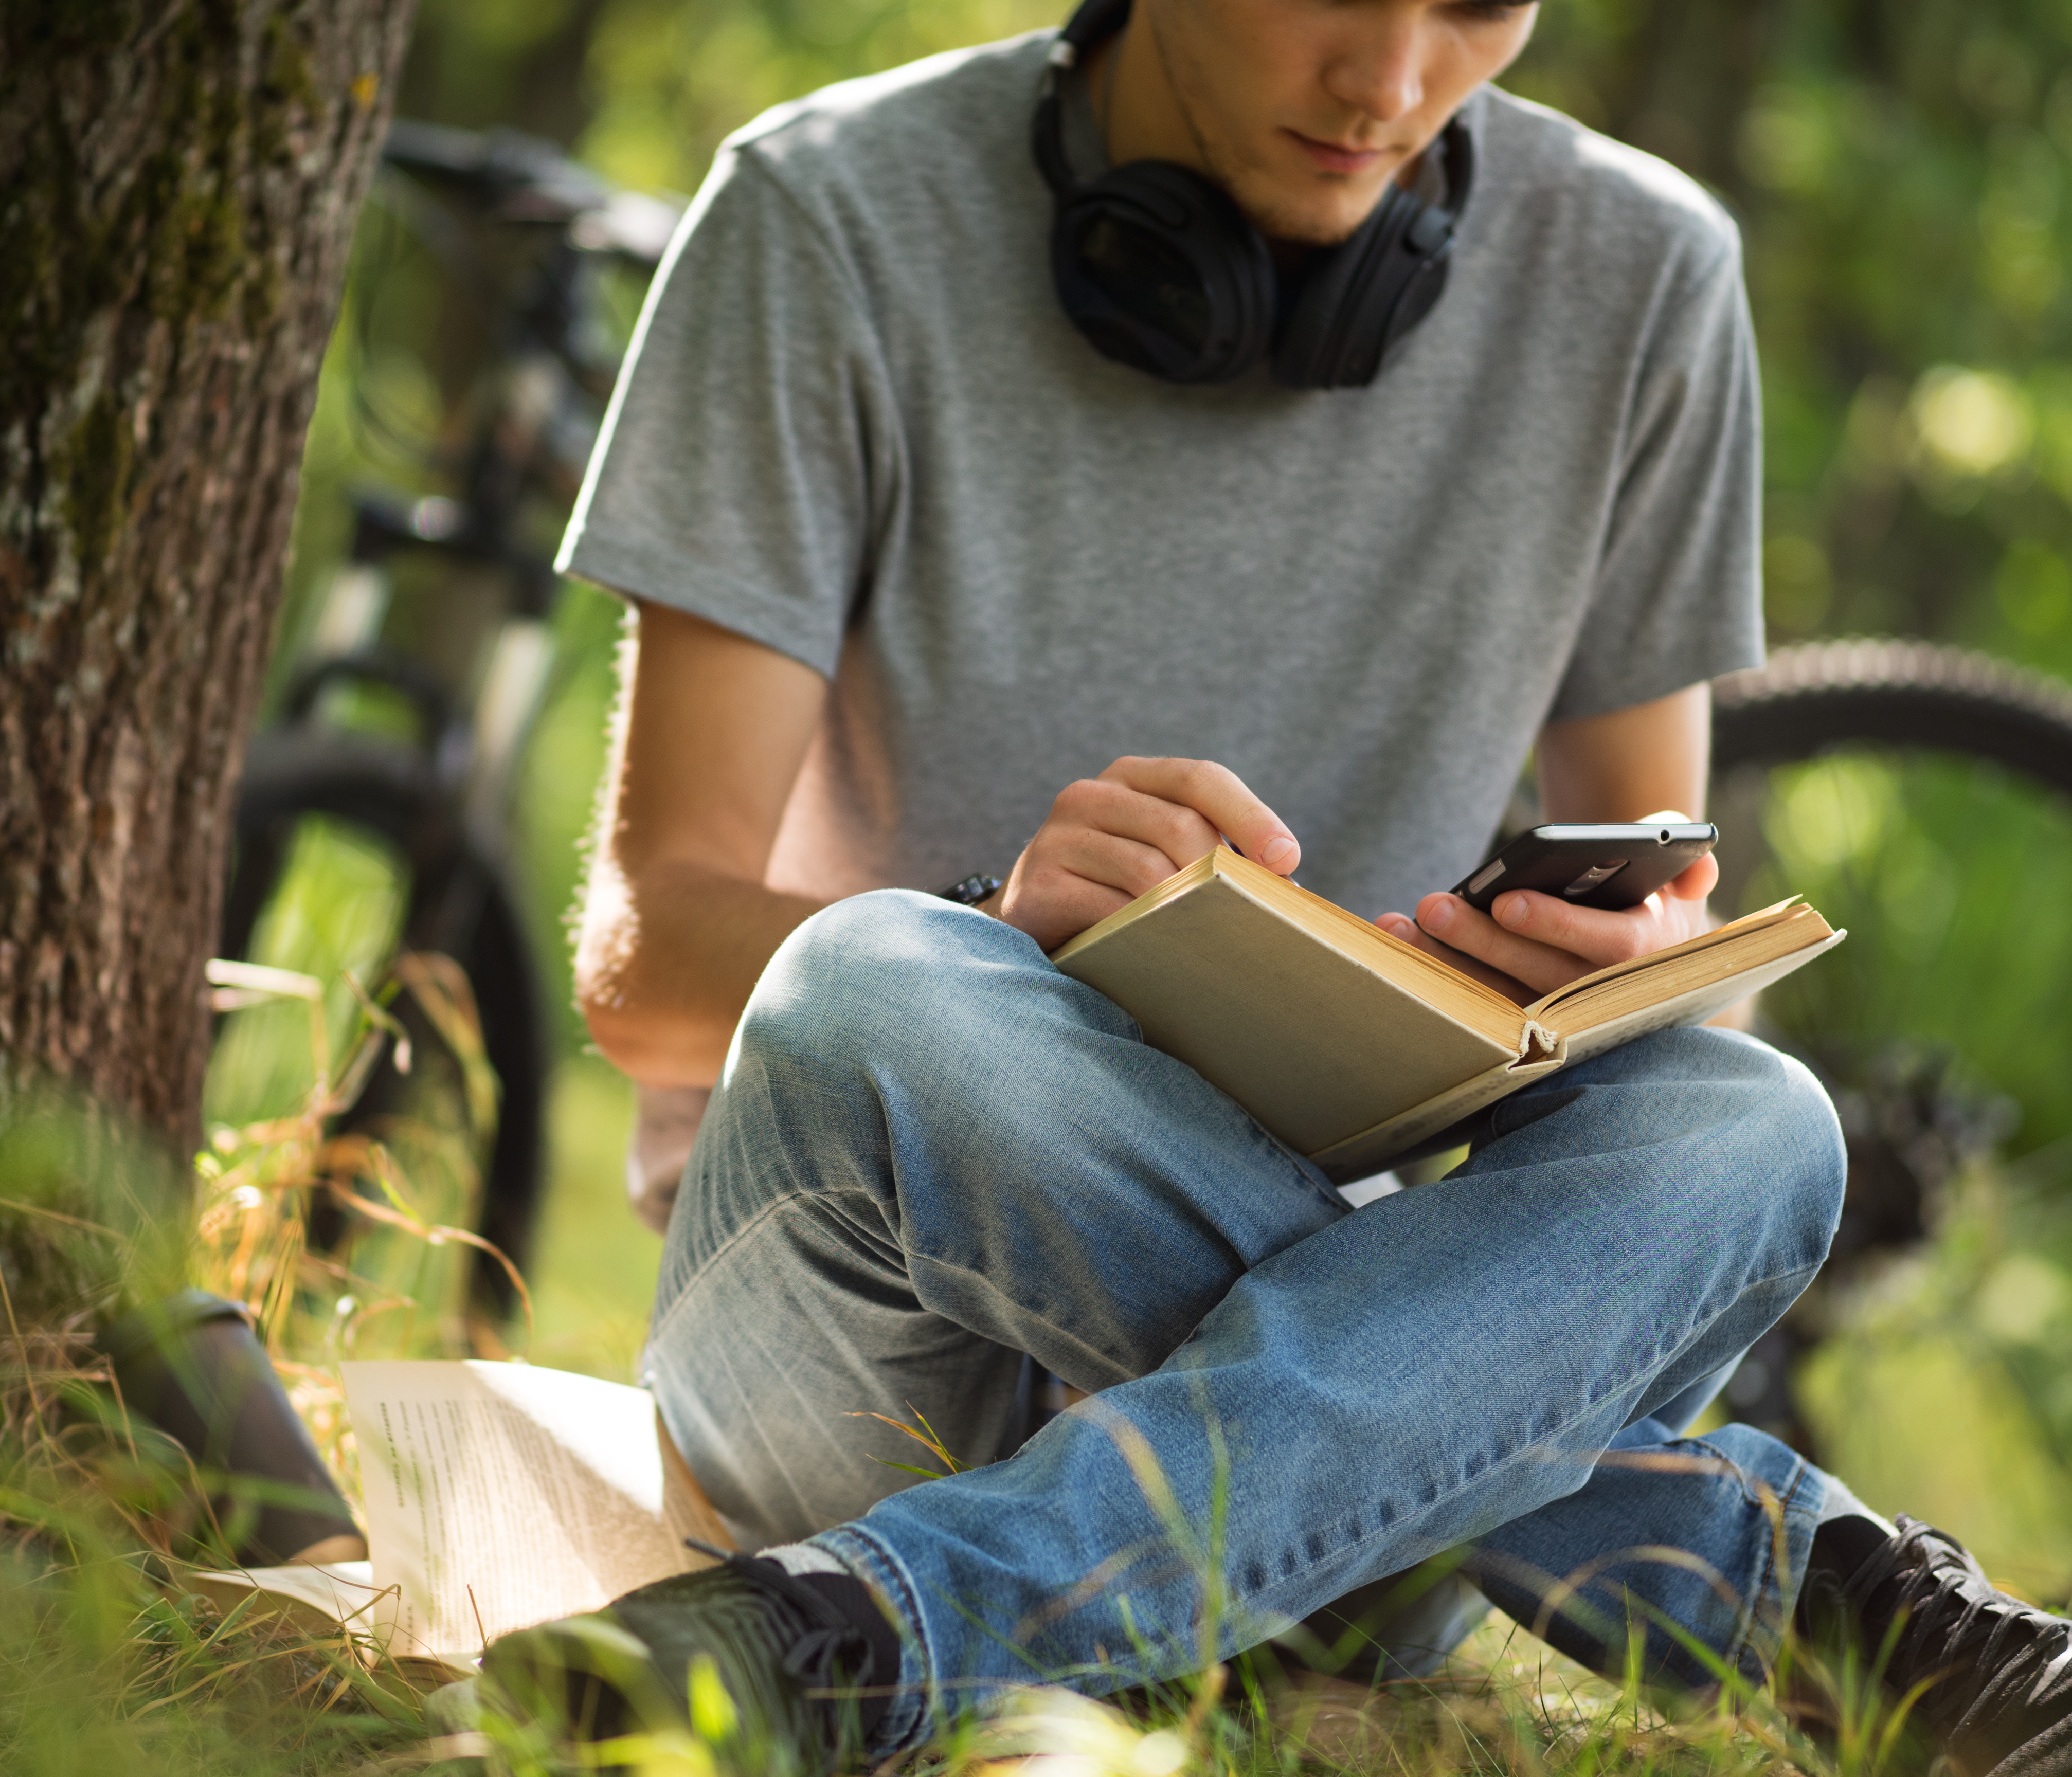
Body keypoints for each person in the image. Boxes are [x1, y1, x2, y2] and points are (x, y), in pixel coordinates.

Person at [482, 0, 2072, 1770]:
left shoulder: (1642, 274)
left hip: (1371, 1462)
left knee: (1746, 1116)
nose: (1390, 83)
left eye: (1475, 4)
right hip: (884, 1354)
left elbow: (1664, 913)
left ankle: (850, 1633)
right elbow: (642, 963)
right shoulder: (823, 214)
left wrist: (1613, 962)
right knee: (883, 985)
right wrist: (992, 923)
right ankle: (1817, 1591)